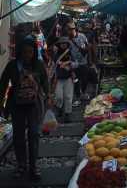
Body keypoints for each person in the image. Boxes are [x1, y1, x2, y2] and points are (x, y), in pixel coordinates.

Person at [0, 36, 50, 180]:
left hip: (35, 105)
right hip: (17, 105)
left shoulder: (39, 64)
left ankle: (34, 167)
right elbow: (3, 84)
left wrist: (49, 96)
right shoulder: (12, 65)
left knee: (34, 134)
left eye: (30, 52)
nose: (28, 55)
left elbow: (45, 82)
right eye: (25, 52)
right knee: (18, 136)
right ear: (19, 52)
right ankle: (21, 165)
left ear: (34, 51)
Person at [65, 21, 90, 106]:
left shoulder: (82, 36)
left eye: (70, 30)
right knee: (76, 81)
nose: (69, 32)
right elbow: (66, 53)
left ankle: (83, 93)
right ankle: (78, 97)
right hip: (74, 64)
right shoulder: (67, 40)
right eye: (68, 30)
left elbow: (87, 46)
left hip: (84, 62)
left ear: (74, 29)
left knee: (85, 80)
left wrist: (90, 59)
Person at [54, 37, 77, 118]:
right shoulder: (56, 54)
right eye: (62, 43)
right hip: (59, 78)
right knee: (58, 97)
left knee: (68, 97)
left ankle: (67, 114)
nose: (63, 45)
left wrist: (69, 63)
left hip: (68, 77)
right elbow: (55, 63)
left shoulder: (70, 53)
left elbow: (76, 64)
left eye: (65, 43)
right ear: (59, 45)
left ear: (67, 44)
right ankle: (59, 108)